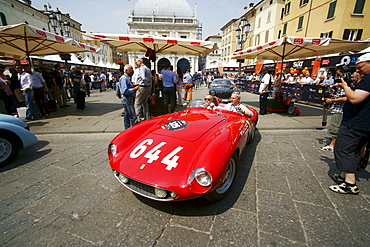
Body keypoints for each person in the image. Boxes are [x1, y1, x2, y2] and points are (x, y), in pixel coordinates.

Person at [329, 53, 370, 195]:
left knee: (344, 150)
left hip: (355, 123)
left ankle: (349, 184)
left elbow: (354, 99)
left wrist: (345, 86)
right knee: (355, 151)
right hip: (364, 123)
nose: (358, 71)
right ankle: (343, 176)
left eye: (360, 68)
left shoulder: (369, 79)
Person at [118, 64, 140, 129]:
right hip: (127, 98)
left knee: (127, 115)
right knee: (132, 115)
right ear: (127, 71)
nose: (133, 71)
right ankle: (135, 128)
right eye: (131, 70)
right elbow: (124, 91)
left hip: (128, 98)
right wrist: (134, 89)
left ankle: (127, 128)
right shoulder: (124, 78)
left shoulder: (127, 78)